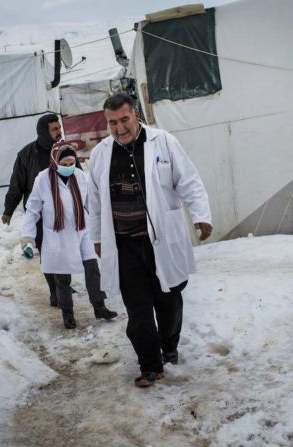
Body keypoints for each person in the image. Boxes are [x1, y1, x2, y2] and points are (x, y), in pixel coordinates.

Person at [87, 93, 213, 387]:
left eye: (124, 120)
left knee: (169, 302)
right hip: (124, 245)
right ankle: (149, 365)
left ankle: (169, 344)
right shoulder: (100, 154)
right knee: (138, 309)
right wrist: (96, 238)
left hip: (161, 242)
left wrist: (201, 215)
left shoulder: (163, 142)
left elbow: (189, 181)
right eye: (112, 123)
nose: (119, 128)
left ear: (136, 116)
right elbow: (94, 202)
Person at [21, 142, 117, 329]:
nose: (68, 167)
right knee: (62, 277)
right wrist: (28, 237)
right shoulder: (43, 179)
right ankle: (68, 313)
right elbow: (32, 210)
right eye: (64, 164)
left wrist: (104, 225)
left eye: (71, 163)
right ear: (55, 161)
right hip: (58, 234)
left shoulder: (80, 176)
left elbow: (91, 204)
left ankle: (99, 306)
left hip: (82, 229)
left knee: (92, 268)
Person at [3, 114, 63, 306]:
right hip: (40, 215)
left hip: (63, 212)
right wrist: (8, 209)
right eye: (54, 129)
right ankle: (55, 292)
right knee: (47, 252)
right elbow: (16, 185)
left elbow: (78, 179)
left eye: (59, 127)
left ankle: (62, 285)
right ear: (44, 132)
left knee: (64, 251)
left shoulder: (64, 151)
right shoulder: (26, 155)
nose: (59, 131)